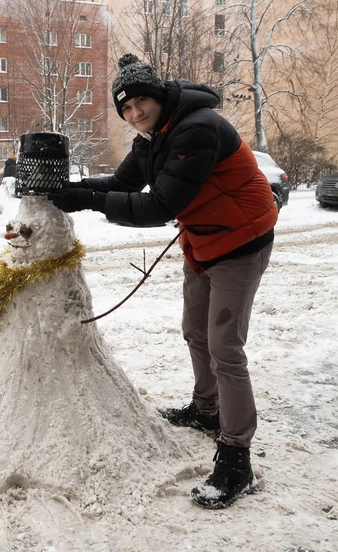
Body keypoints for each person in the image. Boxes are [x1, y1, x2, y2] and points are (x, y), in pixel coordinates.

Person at [48, 53, 277, 510]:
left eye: (140, 102)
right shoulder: (154, 137)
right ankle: (206, 410)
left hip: (242, 240)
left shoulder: (197, 128)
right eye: (125, 108)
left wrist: (88, 203)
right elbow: (124, 183)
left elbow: (158, 205)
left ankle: (236, 457)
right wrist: (70, 189)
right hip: (204, 240)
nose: (134, 114)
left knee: (225, 347)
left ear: (158, 95)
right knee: (196, 331)